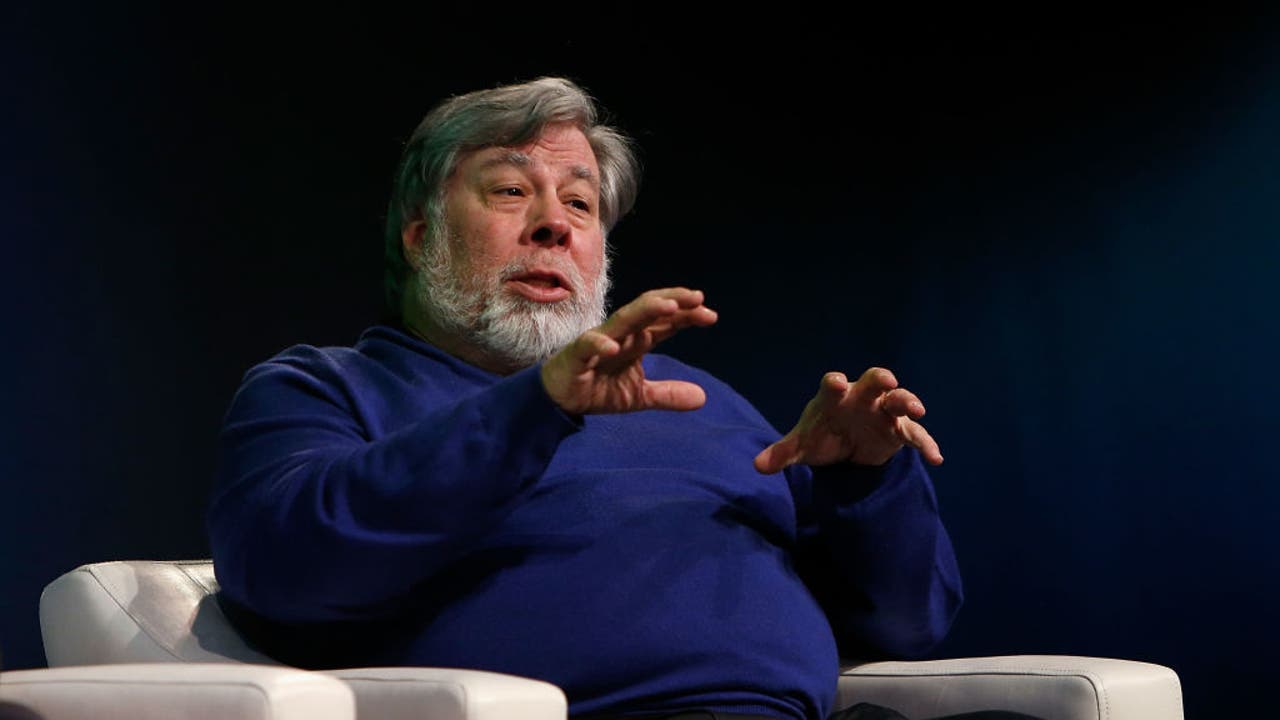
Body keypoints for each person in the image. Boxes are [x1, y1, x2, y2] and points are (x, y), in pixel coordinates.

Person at [208, 77, 988, 720]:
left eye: (580, 204)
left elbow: (909, 624)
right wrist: (535, 407)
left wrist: (862, 485)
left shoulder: (695, 401)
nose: (554, 224)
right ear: (420, 237)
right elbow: (283, 572)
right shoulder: (325, 388)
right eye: (511, 190)